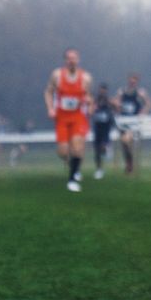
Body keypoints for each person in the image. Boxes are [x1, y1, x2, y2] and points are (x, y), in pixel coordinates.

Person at [44, 48, 93, 192]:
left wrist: (89, 104)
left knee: (77, 147)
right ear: (65, 60)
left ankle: (72, 180)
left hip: (78, 116)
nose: (72, 61)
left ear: (78, 60)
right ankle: (72, 165)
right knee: (63, 152)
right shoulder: (57, 75)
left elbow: (88, 96)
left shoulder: (85, 78)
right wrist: (50, 108)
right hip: (62, 117)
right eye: (69, 58)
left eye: (74, 58)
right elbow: (48, 91)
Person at [113, 72, 151, 175]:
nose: (132, 81)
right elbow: (116, 103)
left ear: (137, 81)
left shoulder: (140, 92)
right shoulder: (122, 92)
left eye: (135, 80)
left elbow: (148, 104)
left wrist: (142, 113)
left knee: (126, 141)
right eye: (131, 79)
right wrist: (116, 106)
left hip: (133, 122)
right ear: (128, 80)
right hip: (123, 122)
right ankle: (129, 163)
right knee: (124, 144)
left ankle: (130, 164)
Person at [91, 84, 117, 179]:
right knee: (97, 150)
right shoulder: (95, 101)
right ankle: (99, 169)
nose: (102, 92)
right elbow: (90, 111)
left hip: (106, 128)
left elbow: (116, 108)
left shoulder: (109, 101)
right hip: (97, 128)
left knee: (103, 146)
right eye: (101, 90)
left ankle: (107, 150)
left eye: (104, 90)